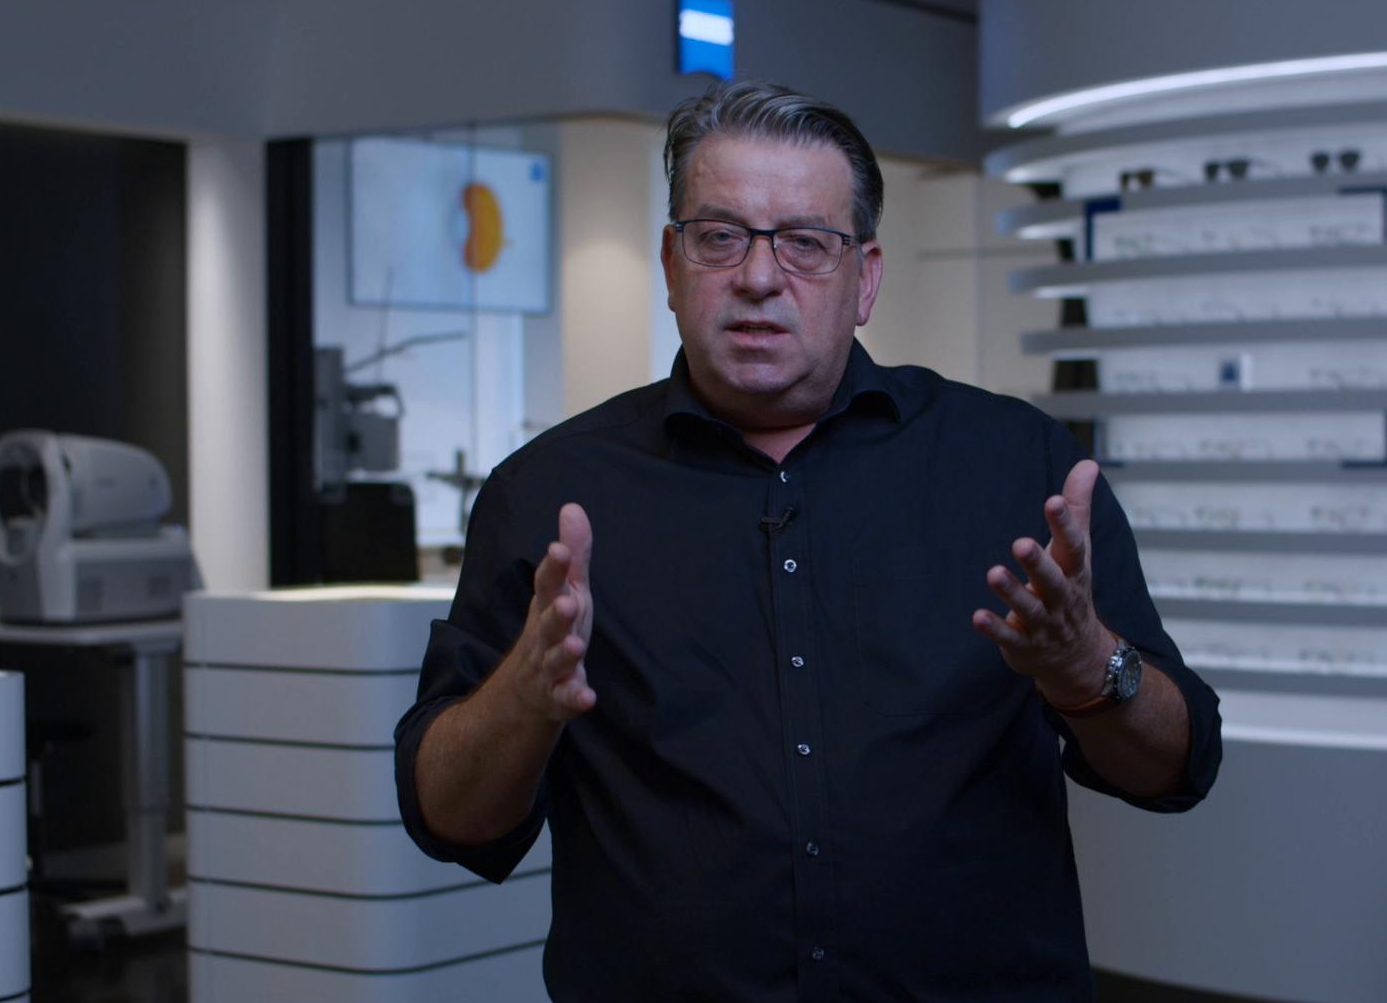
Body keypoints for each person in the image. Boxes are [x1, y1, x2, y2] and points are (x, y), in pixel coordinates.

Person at [394, 79, 1221, 1001]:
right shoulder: (547, 495)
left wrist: (1091, 670)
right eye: (720, 236)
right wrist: (520, 700)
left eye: (804, 242)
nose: (757, 277)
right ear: (670, 264)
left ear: (864, 277)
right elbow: (449, 821)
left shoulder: (1016, 466)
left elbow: (1176, 766)